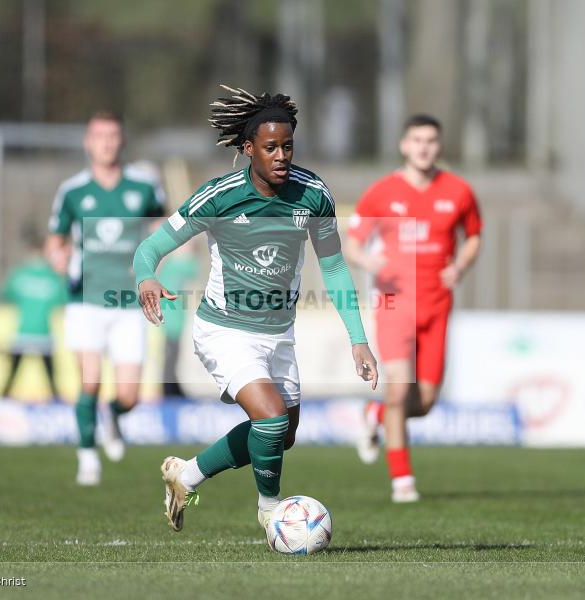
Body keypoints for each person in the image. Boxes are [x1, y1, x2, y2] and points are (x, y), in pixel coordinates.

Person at [133, 85, 378, 533]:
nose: (281, 156)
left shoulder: (313, 194)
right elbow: (151, 246)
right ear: (248, 149)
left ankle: (186, 475)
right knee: (270, 417)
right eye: (270, 148)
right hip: (225, 330)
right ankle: (271, 512)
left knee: (283, 435)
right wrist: (146, 276)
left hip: (279, 332)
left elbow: (335, 266)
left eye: (288, 146)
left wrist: (358, 340)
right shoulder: (219, 196)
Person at [344, 114, 482, 502]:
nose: (423, 147)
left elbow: (474, 236)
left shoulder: (458, 191)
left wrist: (460, 265)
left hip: (437, 306)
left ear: (439, 146)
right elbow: (353, 243)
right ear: (404, 145)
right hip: (394, 304)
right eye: (416, 140)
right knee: (398, 388)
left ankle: (374, 416)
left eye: (430, 141)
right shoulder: (381, 192)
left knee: (424, 403)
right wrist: (367, 260)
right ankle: (402, 481)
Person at [45, 111, 165, 485]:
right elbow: (55, 242)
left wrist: (155, 258)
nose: (107, 143)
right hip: (85, 300)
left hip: (129, 303)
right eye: (99, 136)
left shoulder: (144, 186)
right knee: (90, 382)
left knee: (129, 396)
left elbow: (162, 227)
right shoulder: (73, 191)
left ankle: (113, 415)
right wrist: (57, 257)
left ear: (122, 140)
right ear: (88, 142)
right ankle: (86, 457)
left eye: (113, 135)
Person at [0, 233, 68, 402]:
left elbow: (5, 294)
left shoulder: (20, 273)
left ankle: (3, 400)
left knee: (14, 372)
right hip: (42, 330)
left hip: (25, 330)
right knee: (49, 374)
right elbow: (64, 299)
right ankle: (56, 401)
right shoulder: (52, 276)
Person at [157, 241, 198, 398]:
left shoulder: (179, 265)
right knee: (169, 356)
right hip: (167, 319)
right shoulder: (174, 265)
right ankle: (168, 389)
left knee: (173, 355)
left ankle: (171, 387)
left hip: (175, 319)